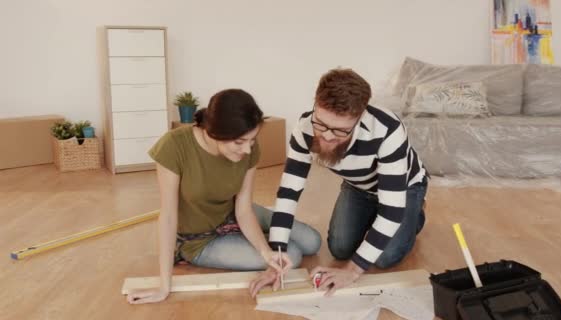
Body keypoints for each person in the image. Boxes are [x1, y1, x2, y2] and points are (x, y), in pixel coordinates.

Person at [127, 89, 321, 304]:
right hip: (200, 239)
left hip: (234, 213)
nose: (247, 150)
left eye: (252, 141)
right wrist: (164, 286)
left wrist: (266, 253)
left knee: (312, 241)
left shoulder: (248, 149)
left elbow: (244, 209)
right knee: (291, 254)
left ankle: (264, 233)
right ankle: (262, 234)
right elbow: (169, 216)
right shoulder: (174, 146)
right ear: (214, 132)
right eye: (239, 142)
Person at [250, 69, 428, 296]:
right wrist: (276, 256)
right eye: (321, 124)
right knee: (340, 248)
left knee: (385, 257)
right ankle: (377, 218)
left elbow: (392, 211)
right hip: (358, 186)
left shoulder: (388, 130)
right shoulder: (305, 128)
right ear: (315, 105)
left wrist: (352, 271)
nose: (327, 137)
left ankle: (415, 214)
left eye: (341, 131)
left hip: (405, 187)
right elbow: (288, 194)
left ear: (360, 117)